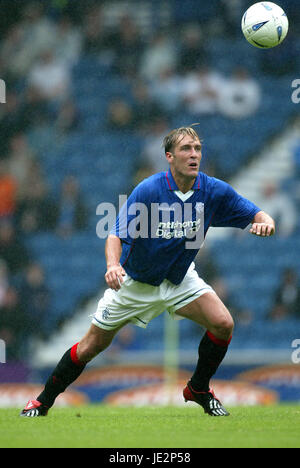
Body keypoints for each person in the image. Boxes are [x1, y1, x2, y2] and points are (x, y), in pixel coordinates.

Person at [20, 126, 275, 418]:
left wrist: (265, 222)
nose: (194, 155)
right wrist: (113, 266)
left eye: (197, 149)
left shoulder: (213, 191)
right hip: (135, 284)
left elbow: (257, 213)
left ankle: (198, 388)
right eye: (185, 149)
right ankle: (42, 401)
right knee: (91, 347)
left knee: (223, 323)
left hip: (179, 280)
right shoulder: (150, 190)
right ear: (169, 156)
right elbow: (115, 234)